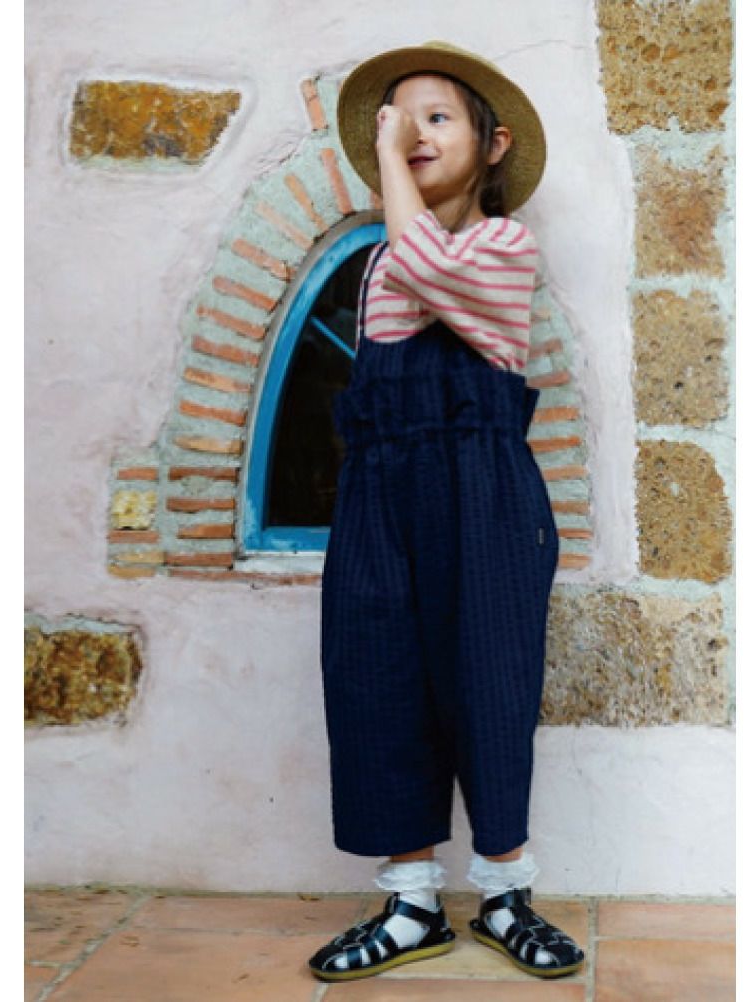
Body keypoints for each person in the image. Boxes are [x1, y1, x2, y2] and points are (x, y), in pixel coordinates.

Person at [308, 40, 585, 982]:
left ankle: (506, 893)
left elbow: (430, 267)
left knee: (491, 682)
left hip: (483, 491)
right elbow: (407, 285)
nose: (414, 136)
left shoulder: (506, 247)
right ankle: (412, 903)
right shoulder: (381, 266)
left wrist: (385, 159)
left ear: (492, 143)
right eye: (400, 120)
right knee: (377, 677)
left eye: (437, 118)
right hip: (380, 491)